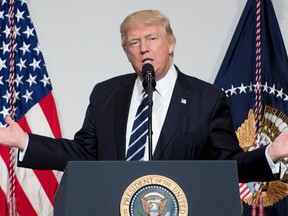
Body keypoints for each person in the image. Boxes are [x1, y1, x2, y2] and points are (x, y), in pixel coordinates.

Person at [0, 9, 288, 183]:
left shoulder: (207, 99)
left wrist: (270, 153)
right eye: (133, 43)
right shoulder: (106, 94)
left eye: (152, 39)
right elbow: (84, 154)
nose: (143, 49)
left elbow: (227, 167)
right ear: (127, 53)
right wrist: (24, 141)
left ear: (171, 43)